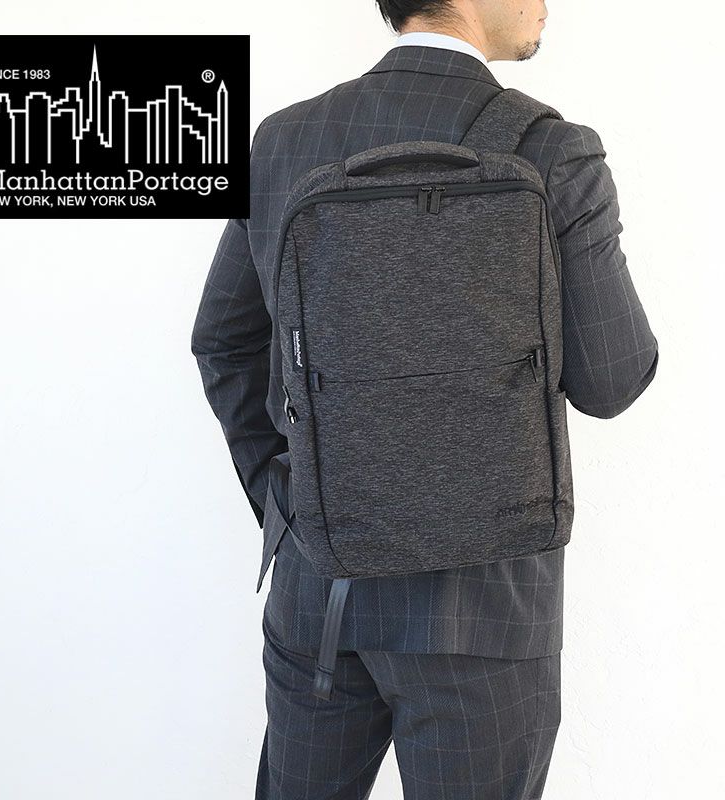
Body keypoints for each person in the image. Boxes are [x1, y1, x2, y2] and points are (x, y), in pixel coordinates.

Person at [191, 1, 660, 797]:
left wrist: (291, 498)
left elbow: (224, 342)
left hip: (318, 594)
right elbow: (613, 380)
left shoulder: (281, 142)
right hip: (484, 617)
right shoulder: (553, 152)